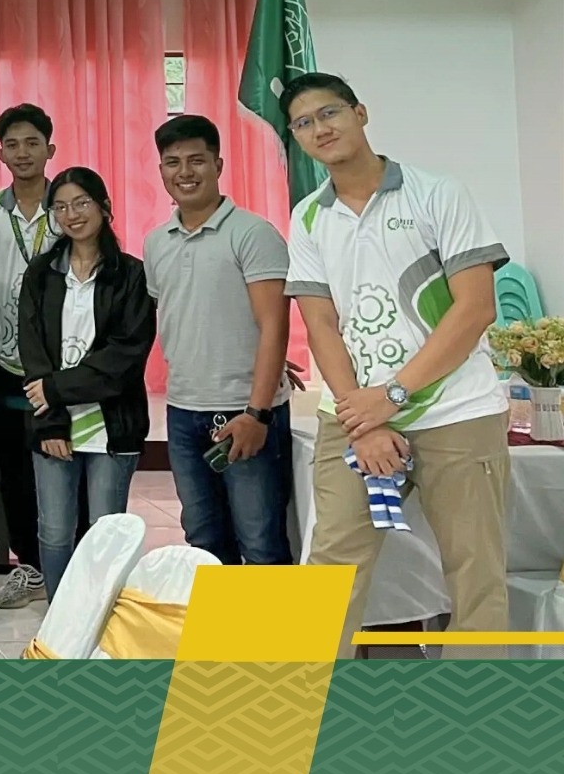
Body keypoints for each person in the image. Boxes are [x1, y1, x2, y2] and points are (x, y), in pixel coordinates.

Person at [282, 72, 511, 657]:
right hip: (354, 416)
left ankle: (478, 707)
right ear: (296, 138)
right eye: (303, 123)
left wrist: (392, 397)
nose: (319, 128)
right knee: (330, 565)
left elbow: (476, 308)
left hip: (456, 412)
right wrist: (364, 420)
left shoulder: (437, 194)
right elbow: (321, 326)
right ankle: (297, 703)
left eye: (329, 113)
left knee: (476, 575)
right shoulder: (307, 217)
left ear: (360, 113)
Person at [145, 114, 294, 566]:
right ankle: (223, 619)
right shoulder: (156, 242)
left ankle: (275, 620)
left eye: (197, 160)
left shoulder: (253, 234)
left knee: (262, 542)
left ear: (218, 165)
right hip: (183, 411)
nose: (185, 172)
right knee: (204, 540)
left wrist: (258, 411)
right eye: (173, 163)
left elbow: (275, 326)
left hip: (244, 411)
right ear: (161, 170)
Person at [17, 167, 157, 599]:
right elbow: (33, 352)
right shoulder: (41, 273)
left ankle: (98, 617)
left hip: (113, 425)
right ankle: (60, 619)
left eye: (81, 203)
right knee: (55, 531)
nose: (71, 214)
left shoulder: (131, 275)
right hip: (54, 422)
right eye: (60, 207)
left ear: (104, 207)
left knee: (105, 532)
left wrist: (56, 389)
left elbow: (125, 356)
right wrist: (51, 420)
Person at [0, 104, 61, 610]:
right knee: (13, 469)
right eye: (12, 144)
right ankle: (29, 566)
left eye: (32, 143)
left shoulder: (67, 202)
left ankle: (69, 566)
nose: (22, 152)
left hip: (60, 364)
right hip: (4, 363)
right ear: (0, 153)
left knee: (63, 465)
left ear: (50, 149)